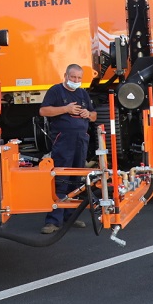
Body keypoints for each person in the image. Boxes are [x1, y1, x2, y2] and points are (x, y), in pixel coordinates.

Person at [38, 63, 96, 233]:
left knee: (76, 180)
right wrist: (66, 109)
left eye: (79, 78)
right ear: (65, 75)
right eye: (73, 77)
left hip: (81, 140)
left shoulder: (83, 93)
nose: (76, 81)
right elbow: (43, 111)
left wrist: (88, 115)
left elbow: (94, 115)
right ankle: (53, 221)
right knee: (61, 179)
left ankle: (70, 217)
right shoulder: (56, 91)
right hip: (63, 140)